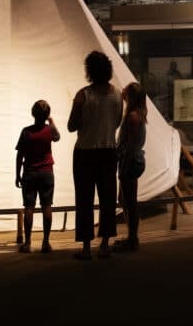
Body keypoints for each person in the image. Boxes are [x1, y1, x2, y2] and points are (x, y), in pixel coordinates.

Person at [67, 50, 123, 260]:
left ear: (89, 71)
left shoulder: (83, 95)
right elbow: (117, 122)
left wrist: (86, 121)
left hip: (85, 153)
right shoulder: (117, 95)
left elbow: (72, 126)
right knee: (108, 198)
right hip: (108, 151)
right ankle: (105, 245)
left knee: (84, 199)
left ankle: (86, 248)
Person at [15, 99, 60, 254]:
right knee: (47, 206)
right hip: (47, 172)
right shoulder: (49, 130)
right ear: (47, 114)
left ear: (32, 113)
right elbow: (57, 137)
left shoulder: (26, 132)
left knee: (29, 207)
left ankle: (27, 243)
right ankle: (45, 243)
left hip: (30, 173)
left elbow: (20, 155)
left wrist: (17, 174)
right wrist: (51, 121)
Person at [114, 81, 147, 253]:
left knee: (130, 202)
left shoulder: (133, 117)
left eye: (126, 92)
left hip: (131, 161)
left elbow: (130, 145)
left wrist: (123, 163)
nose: (122, 92)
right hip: (131, 161)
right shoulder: (135, 114)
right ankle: (131, 237)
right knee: (123, 199)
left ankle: (133, 239)